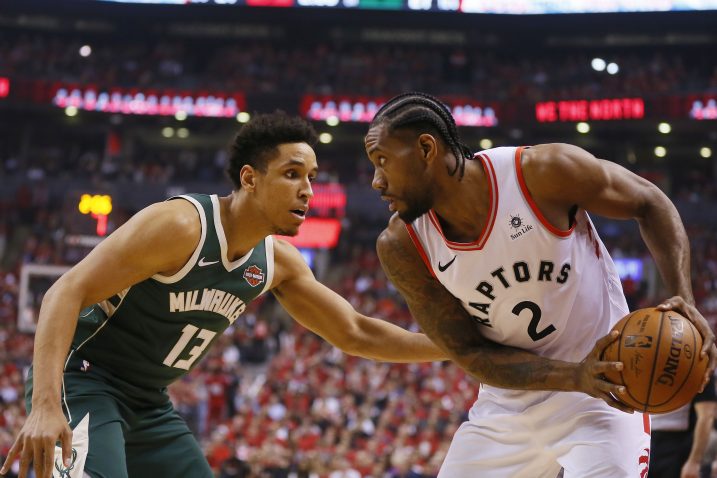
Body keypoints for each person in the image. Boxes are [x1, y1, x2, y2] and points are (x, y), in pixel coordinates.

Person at [0, 112, 446, 478]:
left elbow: (356, 332)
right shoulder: (180, 227)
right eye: (292, 174)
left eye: (311, 177)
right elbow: (63, 291)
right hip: (84, 380)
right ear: (250, 178)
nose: (307, 190)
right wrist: (43, 404)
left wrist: (455, 348)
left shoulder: (277, 262)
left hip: (149, 401)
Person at [364, 92, 717, 477]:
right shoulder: (402, 246)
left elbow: (649, 202)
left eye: (382, 161)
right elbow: (470, 353)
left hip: (601, 392)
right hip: (508, 404)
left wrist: (683, 294)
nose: (376, 181)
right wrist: (573, 376)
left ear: (427, 148)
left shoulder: (541, 173)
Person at [649, 374, 717, 478]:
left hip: (678, 446)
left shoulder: (700, 368)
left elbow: (706, 416)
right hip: (646, 440)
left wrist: (694, 461)